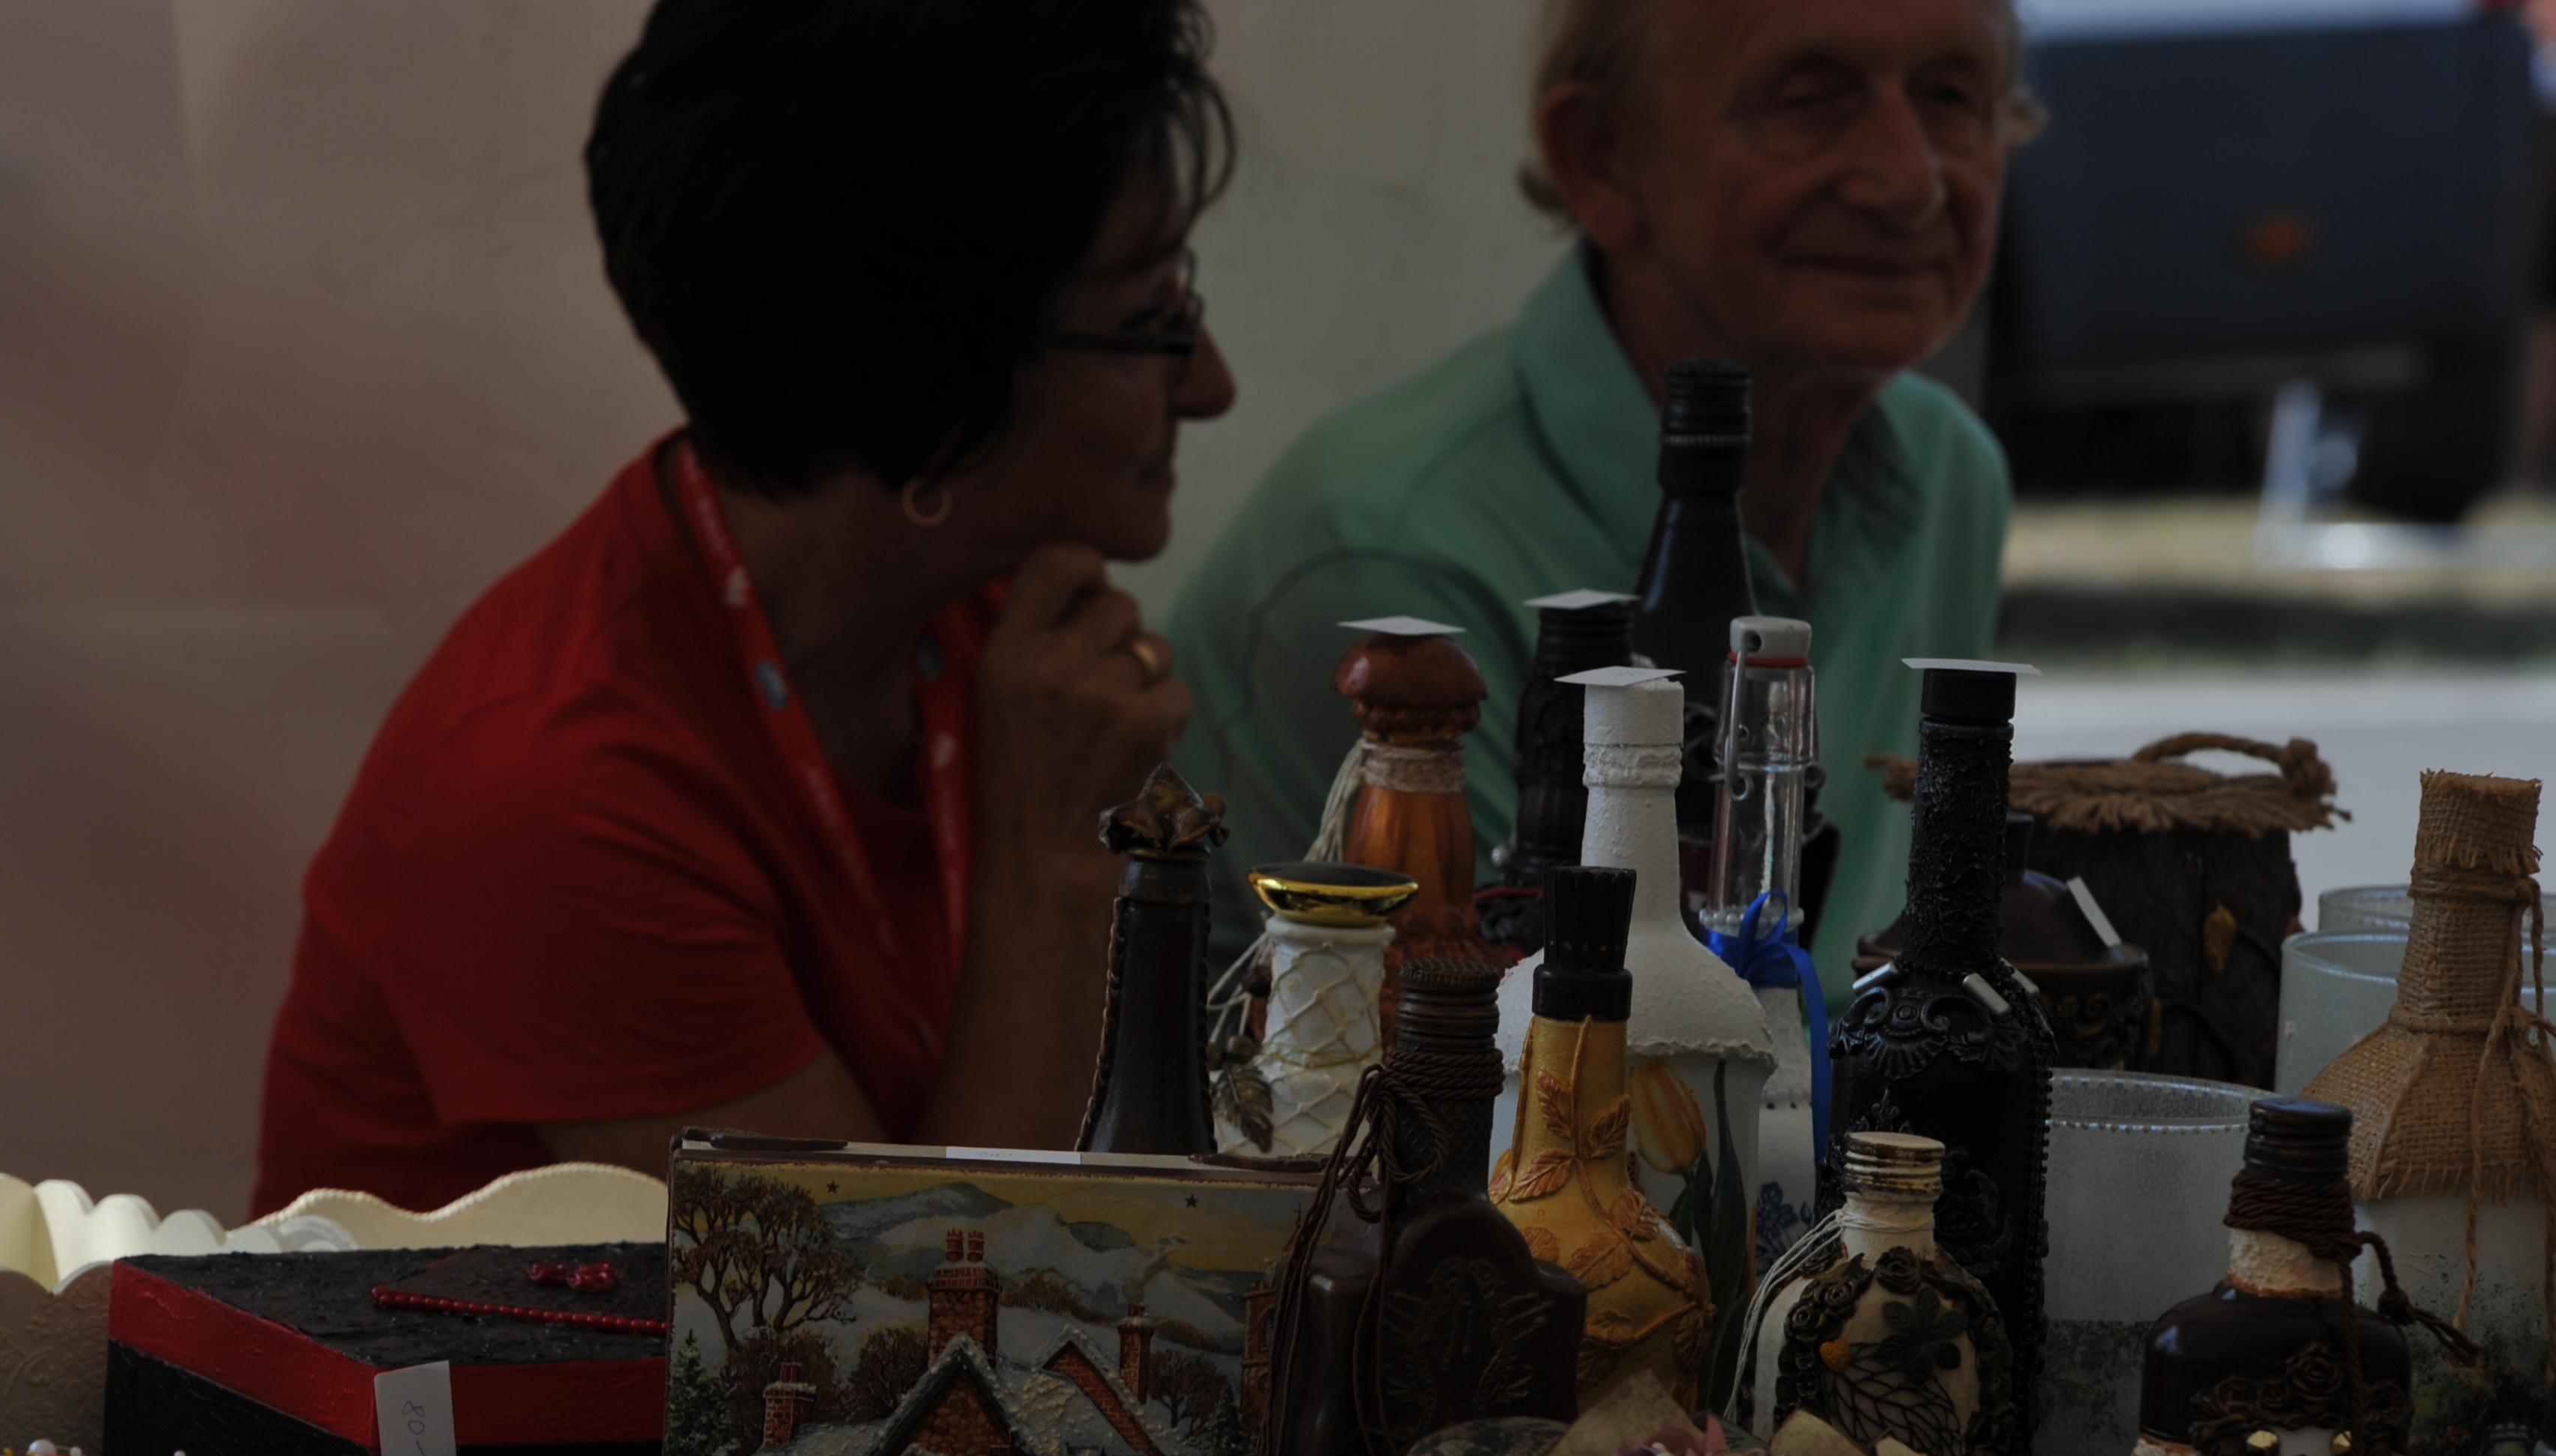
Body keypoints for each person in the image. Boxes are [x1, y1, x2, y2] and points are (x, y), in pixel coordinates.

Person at [255, 0, 1236, 1214]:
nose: (1212, 384)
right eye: (1148, 324)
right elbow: (886, 1312)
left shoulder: (990, 621)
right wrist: (1063, 865)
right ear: (924, 392)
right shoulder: (559, 788)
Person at [1168, 0, 2034, 998]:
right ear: (1603, 160)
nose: (1911, 182)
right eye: (1809, 102)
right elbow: (1528, 1056)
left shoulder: (1947, 472)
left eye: (1952, 99)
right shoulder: (1393, 559)